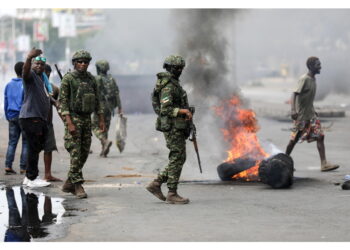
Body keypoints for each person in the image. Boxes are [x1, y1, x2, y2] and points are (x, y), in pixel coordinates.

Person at [59, 50, 105, 199]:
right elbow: (63, 102)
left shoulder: (92, 79)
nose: (83, 64)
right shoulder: (68, 79)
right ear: (74, 63)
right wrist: (69, 123)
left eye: (85, 62)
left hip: (87, 119)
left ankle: (68, 183)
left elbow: (98, 100)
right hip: (74, 118)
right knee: (76, 153)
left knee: (84, 152)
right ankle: (78, 185)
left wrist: (101, 119)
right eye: (80, 61)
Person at [146, 55, 192, 204]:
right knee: (177, 156)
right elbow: (165, 109)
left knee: (178, 157)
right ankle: (172, 193)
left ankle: (157, 183)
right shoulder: (168, 86)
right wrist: (183, 112)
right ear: (169, 68)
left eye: (181, 68)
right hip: (172, 127)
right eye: (176, 68)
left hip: (177, 126)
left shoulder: (173, 83)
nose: (179, 70)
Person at [285, 56, 339, 172]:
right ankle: (284, 161)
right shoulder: (304, 79)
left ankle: (324, 164)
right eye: (318, 65)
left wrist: (313, 110)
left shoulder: (314, 79)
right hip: (301, 117)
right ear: (311, 66)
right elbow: (294, 94)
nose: (320, 67)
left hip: (311, 116)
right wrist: (293, 110)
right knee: (293, 140)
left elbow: (308, 98)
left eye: (320, 64)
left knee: (320, 136)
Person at [20, 48, 51, 188]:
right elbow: (25, 72)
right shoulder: (30, 76)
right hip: (32, 117)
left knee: (35, 147)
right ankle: (32, 178)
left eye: (41, 64)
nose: (39, 66)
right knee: (33, 148)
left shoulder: (41, 79)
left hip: (38, 118)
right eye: (36, 63)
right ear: (32, 65)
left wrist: (55, 102)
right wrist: (28, 57)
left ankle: (28, 176)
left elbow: (46, 96)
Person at [92, 60, 122, 157]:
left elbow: (94, 93)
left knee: (95, 126)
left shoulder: (97, 78)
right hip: (110, 106)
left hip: (100, 105)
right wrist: (120, 107)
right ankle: (104, 149)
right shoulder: (111, 78)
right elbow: (117, 93)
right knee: (105, 127)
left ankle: (104, 141)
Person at [4, 61, 28, 175]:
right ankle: (23, 167)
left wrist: (7, 115)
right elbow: (26, 101)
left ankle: (8, 165)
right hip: (23, 116)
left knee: (12, 142)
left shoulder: (9, 84)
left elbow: (6, 101)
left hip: (11, 116)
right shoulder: (25, 84)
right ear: (24, 70)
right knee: (25, 142)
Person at [42, 64, 62, 182]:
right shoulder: (33, 86)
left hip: (48, 123)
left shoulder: (54, 89)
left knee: (48, 149)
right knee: (32, 149)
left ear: (49, 73)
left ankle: (47, 174)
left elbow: (58, 106)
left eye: (46, 72)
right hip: (34, 123)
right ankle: (30, 175)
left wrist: (66, 121)